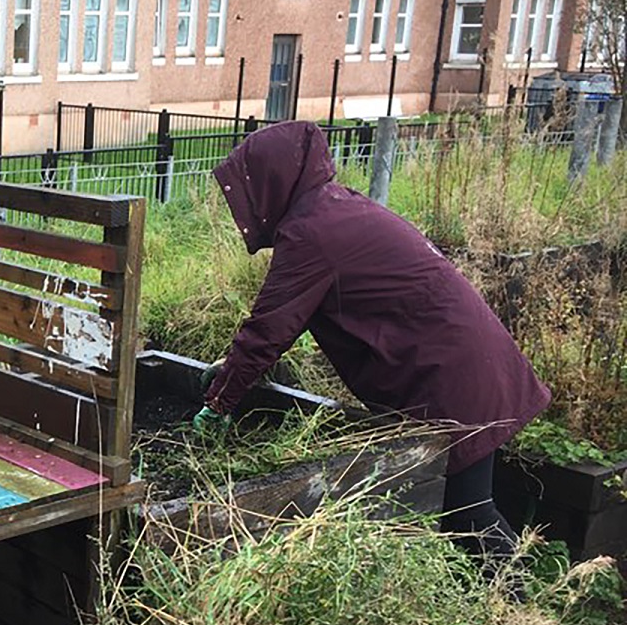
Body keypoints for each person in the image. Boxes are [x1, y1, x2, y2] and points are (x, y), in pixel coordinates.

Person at [197, 120, 551, 563]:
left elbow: (269, 328)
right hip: (467, 360)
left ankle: (516, 610)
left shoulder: (311, 232)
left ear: (273, 181)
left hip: (450, 374)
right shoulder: (331, 209)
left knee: (467, 512)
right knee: (461, 507)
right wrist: (238, 372)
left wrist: (218, 403)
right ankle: (505, 598)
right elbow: (284, 322)